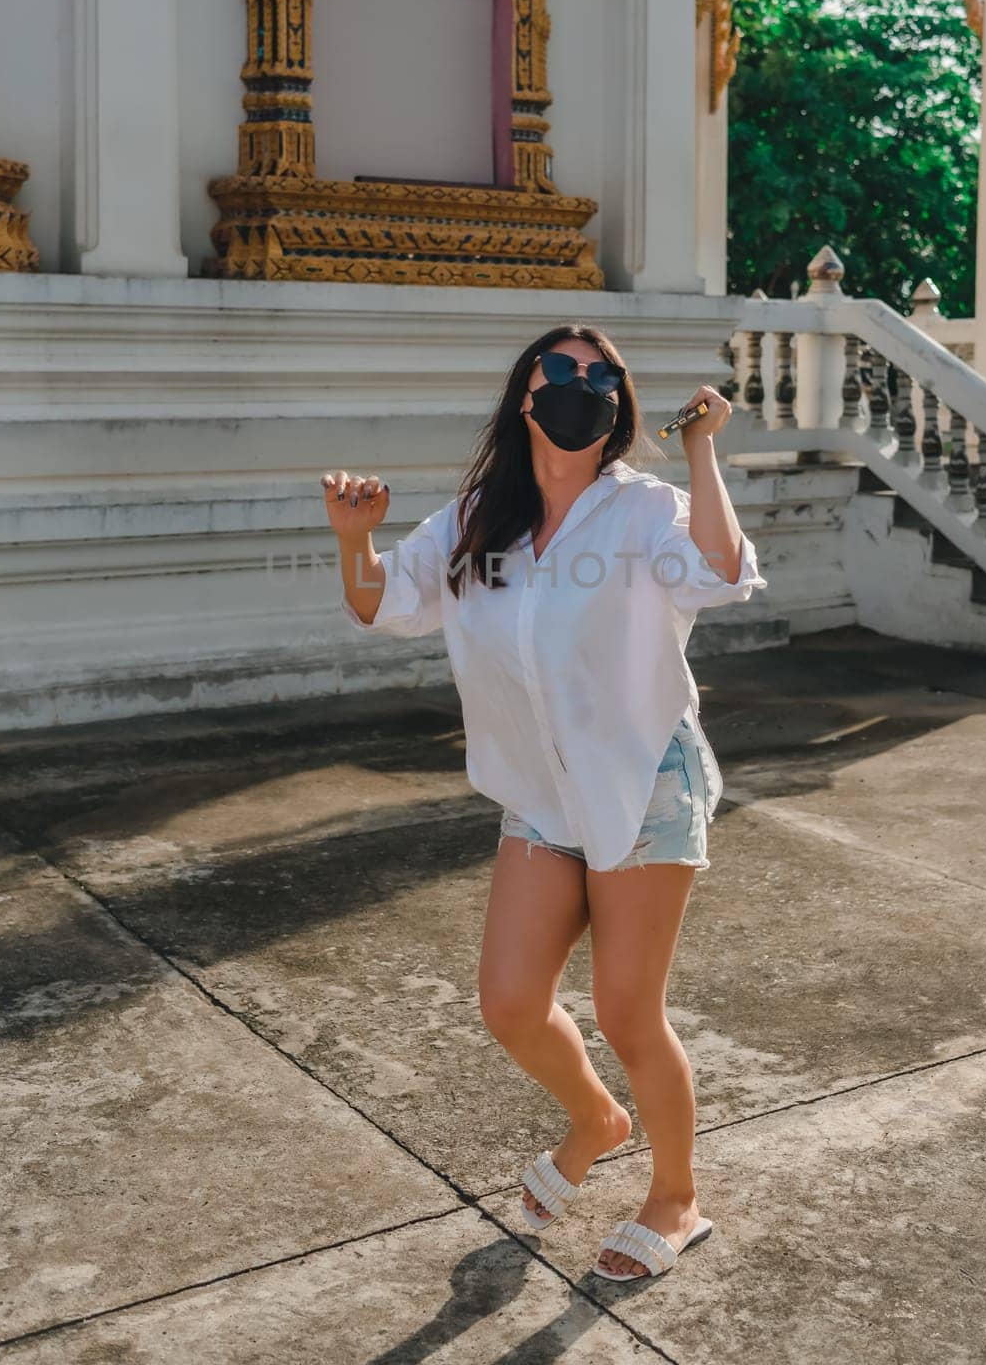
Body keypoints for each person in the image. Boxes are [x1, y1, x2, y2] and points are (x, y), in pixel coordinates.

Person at [323, 323, 768, 1283]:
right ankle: (597, 1120)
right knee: (511, 1004)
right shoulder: (477, 517)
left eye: (601, 375)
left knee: (626, 1011)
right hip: (537, 793)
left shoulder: (647, 508)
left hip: (643, 779)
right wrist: (355, 541)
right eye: (559, 371)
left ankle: (676, 1195)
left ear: (620, 403)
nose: (580, 385)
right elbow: (382, 604)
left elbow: (724, 574)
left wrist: (700, 447)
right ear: (524, 396)